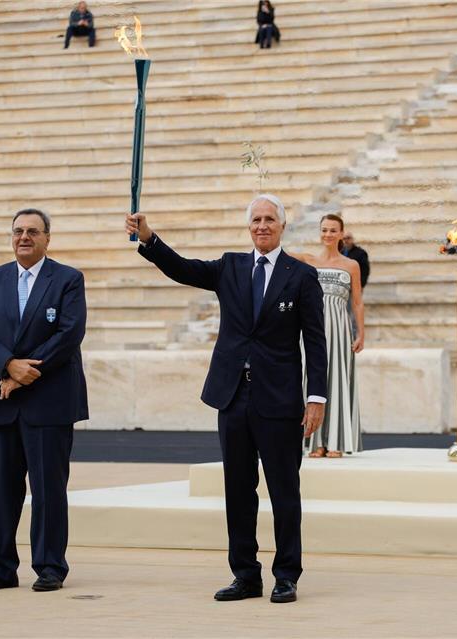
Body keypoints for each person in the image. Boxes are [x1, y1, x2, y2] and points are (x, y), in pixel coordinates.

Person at [127, 194, 327, 604]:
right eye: (256, 220)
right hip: (233, 396)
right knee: (238, 490)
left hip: (280, 400)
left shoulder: (302, 276)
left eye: (270, 219)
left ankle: (286, 574)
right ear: (248, 227)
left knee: (284, 490)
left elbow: (316, 343)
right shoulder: (231, 267)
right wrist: (148, 238)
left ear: (283, 226)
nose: (262, 226)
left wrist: (316, 398)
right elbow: (183, 269)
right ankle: (245, 575)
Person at [0, 209, 88, 593]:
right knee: (2, 490)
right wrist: (7, 365)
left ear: (47, 238)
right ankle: (0, 568)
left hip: (49, 399)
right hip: (4, 399)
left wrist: (22, 374)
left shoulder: (68, 279)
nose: (24, 237)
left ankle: (50, 566)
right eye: (18, 231)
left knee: (48, 489)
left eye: (33, 232)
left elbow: (69, 334)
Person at [289, 214, 364, 459]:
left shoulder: (351, 265)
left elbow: (357, 303)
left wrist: (360, 333)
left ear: (341, 234)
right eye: (324, 230)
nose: (328, 234)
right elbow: (278, 253)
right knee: (312, 381)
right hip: (313, 329)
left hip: (341, 330)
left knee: (337, 381)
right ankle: (314, 442)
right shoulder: (309, 260)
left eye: (333, 230)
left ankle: (336, 442)